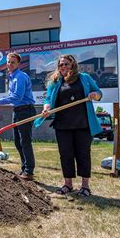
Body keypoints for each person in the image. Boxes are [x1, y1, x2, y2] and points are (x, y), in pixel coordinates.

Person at [36, 54, 102, 197]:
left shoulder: (84, 78)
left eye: (66, 64)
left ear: (73, 64)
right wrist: (46, 108)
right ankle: (68, 184)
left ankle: (85, 186)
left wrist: (94, 95)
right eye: (61, 65)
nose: (63, 67)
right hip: (62, 125)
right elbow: (48, 99)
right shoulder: (55, 81)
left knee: (83, 154)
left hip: (82, 124)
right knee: (65, 154)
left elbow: (98, 93)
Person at [0, 52, 36, 180]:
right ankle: (24, 169)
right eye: (8, 62)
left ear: (18, 64)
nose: (9, 64)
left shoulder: (20, 77)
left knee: (25, 141)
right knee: (18, 142)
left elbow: (17, 97)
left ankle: (29, 171)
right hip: (17, 111)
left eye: (13, 62)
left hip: (26, 110)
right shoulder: (12, 76)